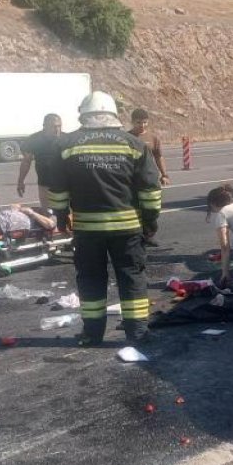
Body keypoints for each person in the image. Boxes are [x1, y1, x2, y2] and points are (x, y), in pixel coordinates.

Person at [47, 91, 162, 347]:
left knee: (90, 279)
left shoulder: (66, 145)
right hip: (128, 228)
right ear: (113, 115)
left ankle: (92, 334)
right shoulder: (133, 144)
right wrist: (151, 221)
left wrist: (61, 216)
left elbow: (57, 188)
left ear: (83, 115)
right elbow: (150, 189)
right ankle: (137, 333)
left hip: (88, 230)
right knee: (131, 278)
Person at [128, 108, 169, 247]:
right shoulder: (126, 137)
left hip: (149, 181)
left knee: (151, 209)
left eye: (145, 122)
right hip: (132, 181)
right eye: (139, 122)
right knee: (133, 209)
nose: (142, 125)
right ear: (132, 122)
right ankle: (136, 236)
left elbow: (159, 157)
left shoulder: (153, 138)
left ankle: (149, 235)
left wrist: (164, 174)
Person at [16, 114, 62, 208]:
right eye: (53, 127)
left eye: (59, 126)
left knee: (66, 216)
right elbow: (26, 161)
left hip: (64, 184)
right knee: (48, 215)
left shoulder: (66, 139)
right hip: (44, 184)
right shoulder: (34, 140)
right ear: (45, 126)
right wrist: (20, 181)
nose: (57, 129)